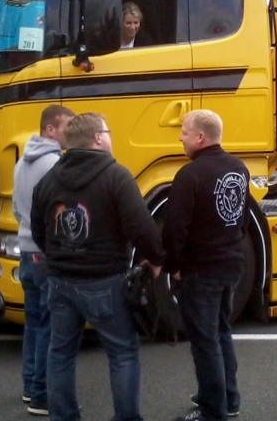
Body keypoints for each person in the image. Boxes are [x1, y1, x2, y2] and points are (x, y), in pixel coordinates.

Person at [30, 113, 164, 421]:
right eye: (108, 131)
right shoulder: (116, 176)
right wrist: (156, 260)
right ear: (98, 138)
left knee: (60, 352)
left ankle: (63, 416)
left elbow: (39, 231)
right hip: (105, 279)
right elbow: (142, 228)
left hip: (60, 280)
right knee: (122, 352)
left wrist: (59, 256)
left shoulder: (48, 179)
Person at [162, 110, 249, 421]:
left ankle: (212, 410)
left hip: (200, 269)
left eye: (185, 132)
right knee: (221, 331)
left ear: (200, 137)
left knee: (204, 341)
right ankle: (229, 398)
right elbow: (241, 218)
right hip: (231, 263)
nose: (180, 137)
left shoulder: (190, 175)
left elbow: (175, 228)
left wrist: (172, 265)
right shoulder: (238, 167)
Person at [12, 104, 76, 417]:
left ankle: (30, 386)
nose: (70, 134)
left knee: (34, 322)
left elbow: (16, 208)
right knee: (52, 327)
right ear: (50, 129)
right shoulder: (55, 164)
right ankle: (42, 394)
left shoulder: (21, 162)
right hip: (46, 253)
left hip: (26, 250)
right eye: (67, 127)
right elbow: (60, 212)